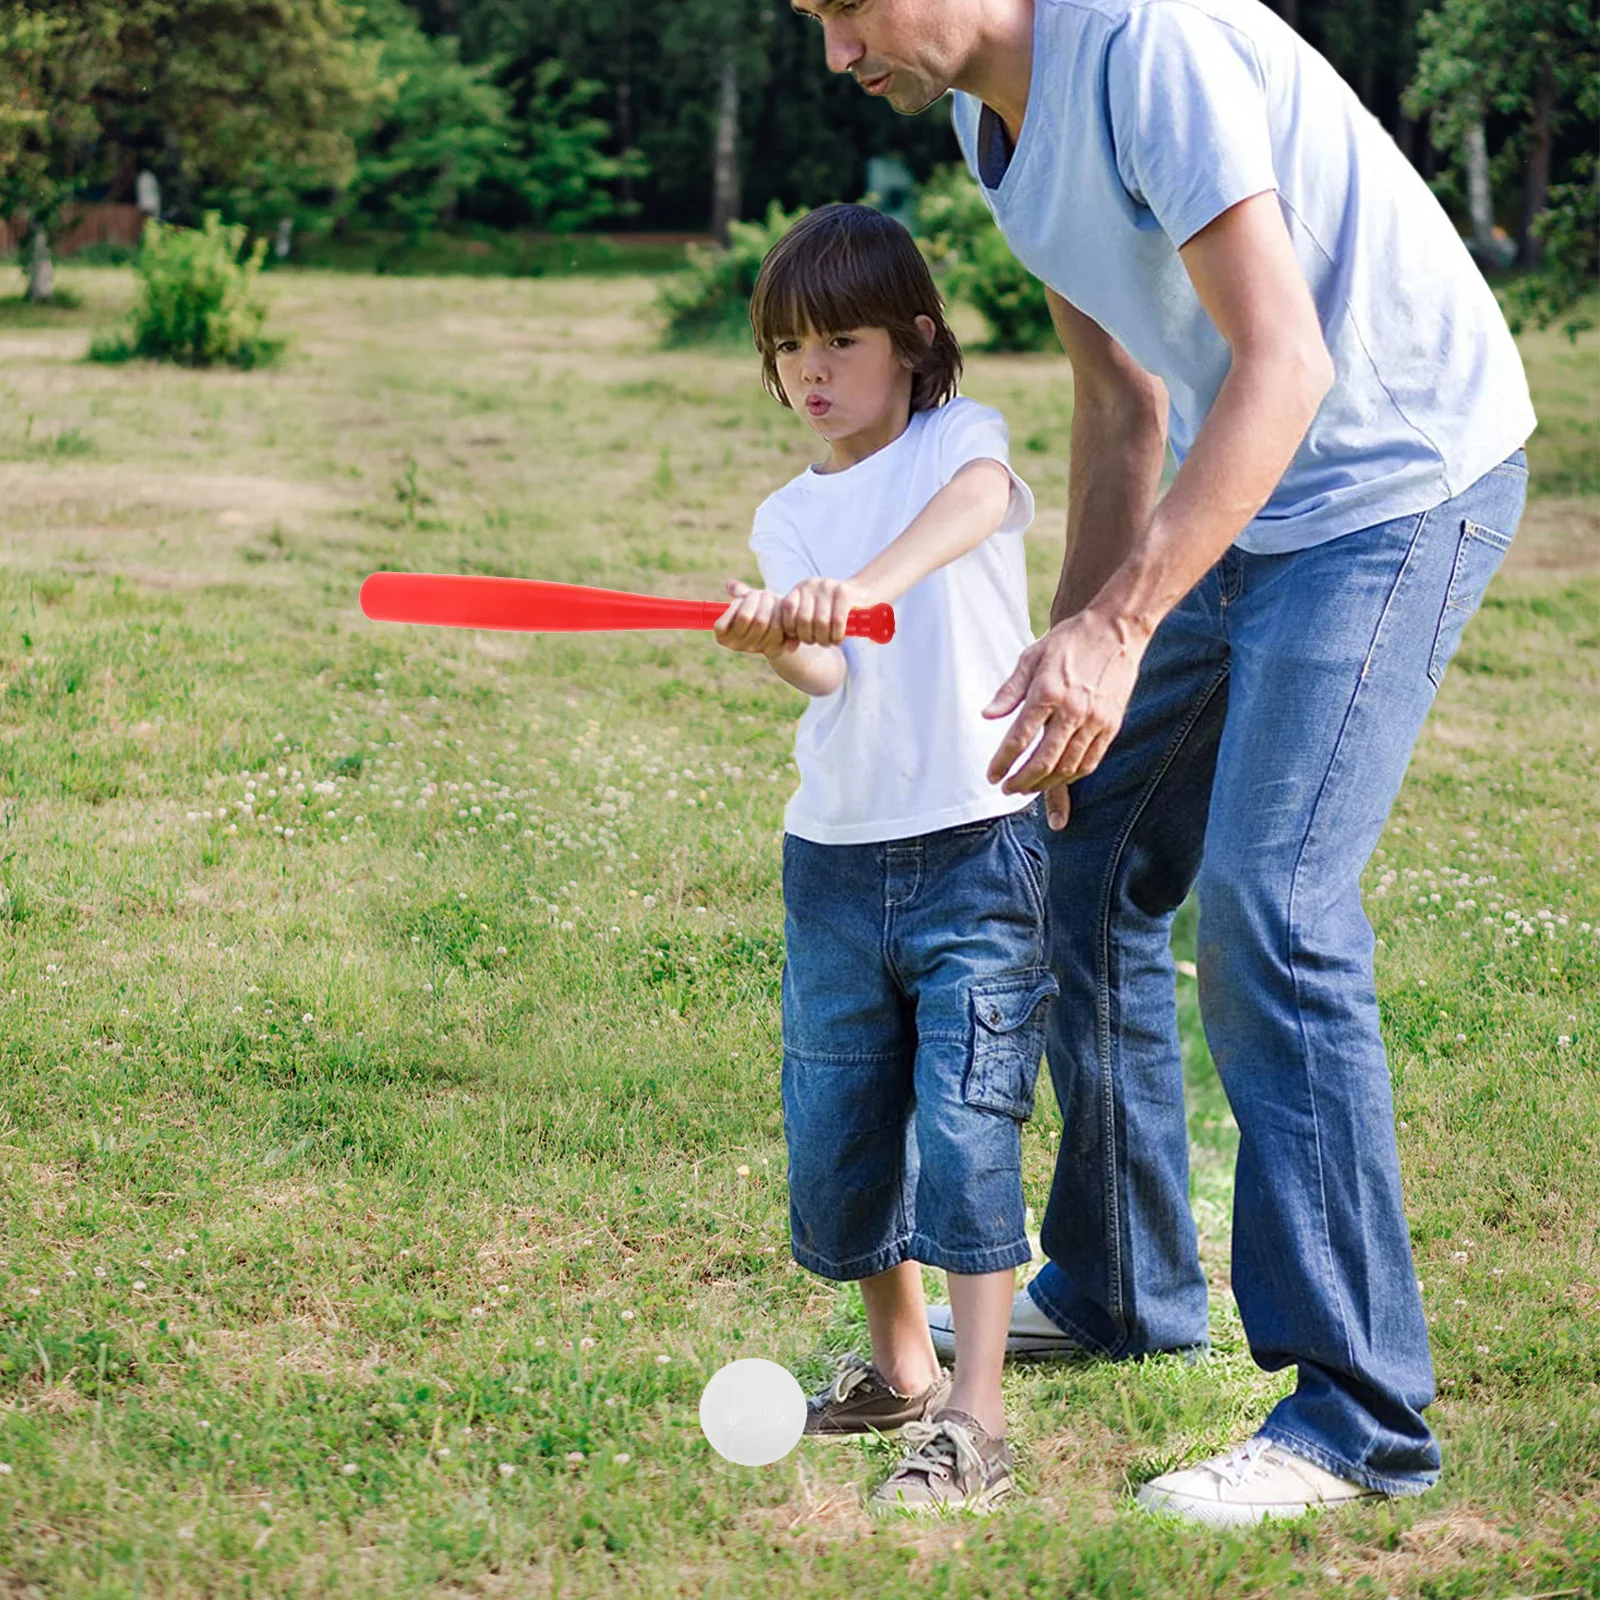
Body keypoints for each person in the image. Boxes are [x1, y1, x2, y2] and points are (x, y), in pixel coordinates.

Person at [793, 0, 1535, 1525]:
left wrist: (1125, 624)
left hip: (1394, 480)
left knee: (1273, 908)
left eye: (845, 7)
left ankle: (1359, 1415)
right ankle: (1126, 1282)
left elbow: (1286, 362)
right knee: (1074, 838)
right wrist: (1072, 659)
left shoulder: (1148, 46)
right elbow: (1127, 401)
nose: (833, 51)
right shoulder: (983, 122)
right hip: (1243, 494)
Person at [713, 202, 1055, 1514]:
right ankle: (901, 1367)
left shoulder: (956, 446)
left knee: (968, 1121)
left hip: (976, 843)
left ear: (913, 341)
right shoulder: (787, 515)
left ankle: (976, 1415)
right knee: (846, 1121)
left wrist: (864, 584)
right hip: (840, 860)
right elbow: (820, 666)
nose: (811, 372)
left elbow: (977, 511)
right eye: (787, 348)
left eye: (839, 341)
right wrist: (780, 637)